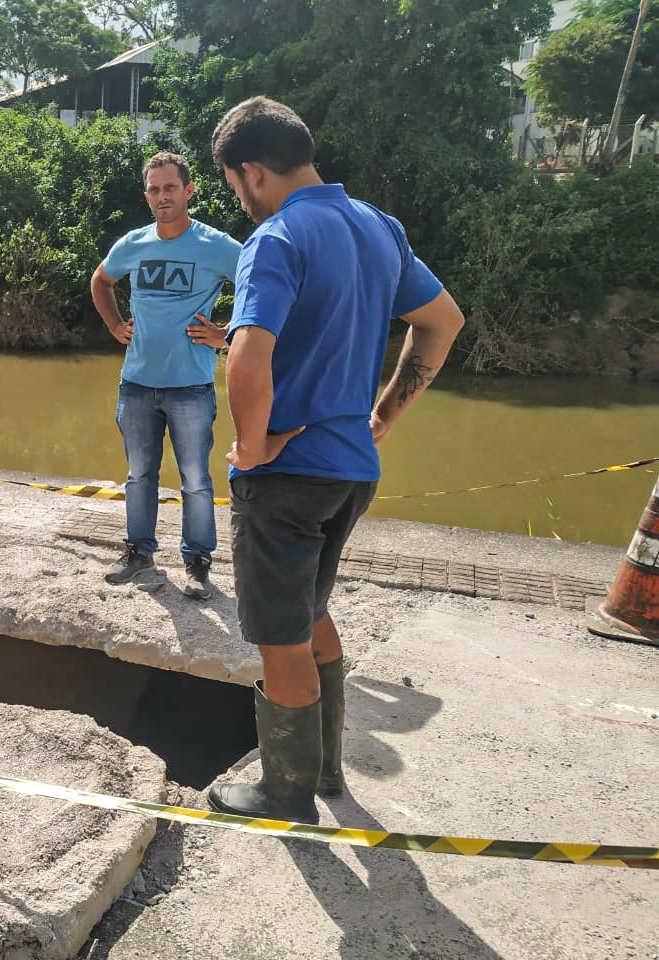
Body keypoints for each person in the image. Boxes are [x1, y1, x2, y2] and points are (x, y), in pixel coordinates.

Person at [205, 97, 465, 824]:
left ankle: (284, 795)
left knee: (280, 637)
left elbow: (246, 359)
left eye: (234, 186)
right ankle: (322, 770)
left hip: (285, 479)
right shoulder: (379, 227)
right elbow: (442, 323)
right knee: (312, 610)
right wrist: (384, 413)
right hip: (352, 469)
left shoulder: (277, 237)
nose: (242, 200)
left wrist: (252, 447)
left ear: (250, 171)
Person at [90, 151, 241, 600]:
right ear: (147, 195)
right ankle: (139, 553)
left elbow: (267, 289)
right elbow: (101, 281)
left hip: (191, 386)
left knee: (195, 478)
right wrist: (115, 325)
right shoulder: (133, 243)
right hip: (136, 383)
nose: (162, 196)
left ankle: (197, 562)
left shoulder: (217, 246)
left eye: (170, 187)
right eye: (154, 189)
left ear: (188, 190)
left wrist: (225, 334)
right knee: (139, 475)